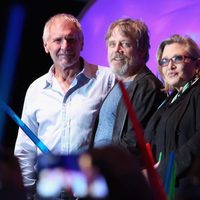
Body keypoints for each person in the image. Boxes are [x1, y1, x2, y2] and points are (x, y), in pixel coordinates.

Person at [14, 13, 115, 199]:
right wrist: (26, 192)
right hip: (46, 193)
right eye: (57, 40)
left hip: (89, 192)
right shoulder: (36, 90)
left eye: (71, 39)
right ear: (46, 46)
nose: (65, 46)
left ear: (82, 43)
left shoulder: (107, 80)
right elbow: (25, 148)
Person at [92, 18, 166, 163]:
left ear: (142, 51)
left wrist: (106, 167)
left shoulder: (147, 86)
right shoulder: (118, 84)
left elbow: (134, 143)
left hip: (121, 175)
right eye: (112, 44)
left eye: (125, 44)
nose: (116, 50)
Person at [144, 34, 200, 192]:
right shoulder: (170, 100)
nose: (170, 66)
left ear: (196, 64)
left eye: (177, 59)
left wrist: (166, 169)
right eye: (164, 61)